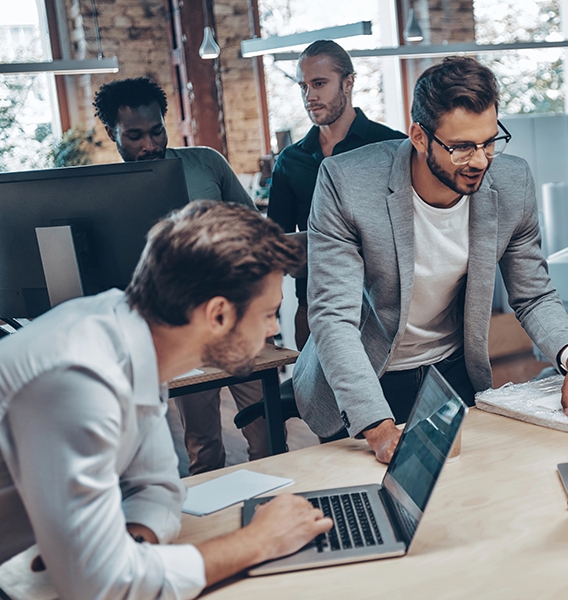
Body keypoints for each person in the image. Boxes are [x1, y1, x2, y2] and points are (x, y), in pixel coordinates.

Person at [0, 201, 333, 599]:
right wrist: (258, 542)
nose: (274, 328)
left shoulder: (135, 338)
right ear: (219, 315)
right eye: (268, 313)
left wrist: (130, 544)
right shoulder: (81, 378)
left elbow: (157, 486)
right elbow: (101, 587)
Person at [293, 56, 568, 463]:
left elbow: (533, 294)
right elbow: (334, 318)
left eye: (489, 141)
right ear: (419, 137)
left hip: (450, 375)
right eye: (460, 147)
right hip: (366, 377)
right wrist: (380, 428)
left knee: (465, 496)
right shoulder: (347, 184)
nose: (479, 160)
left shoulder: (512, 182)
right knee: (376, 508)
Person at [94, 77, 270, 474]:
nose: (150, 145)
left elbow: (253, 230)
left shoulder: (206, 162)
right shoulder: (107, 190)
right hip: (179, 332)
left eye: (157, 131)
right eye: (135, 135)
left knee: (268, 437)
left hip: (238, 322)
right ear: (112, 133)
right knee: (204, 450)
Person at [266, 40, 406, 349]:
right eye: (304, 86)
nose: (309, 96)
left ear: (348, 82)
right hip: (315, 308)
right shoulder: (290, 161)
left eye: (319, 84)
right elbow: (276, 244)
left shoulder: (394, 147)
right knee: (315, 396)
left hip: (382, 311)